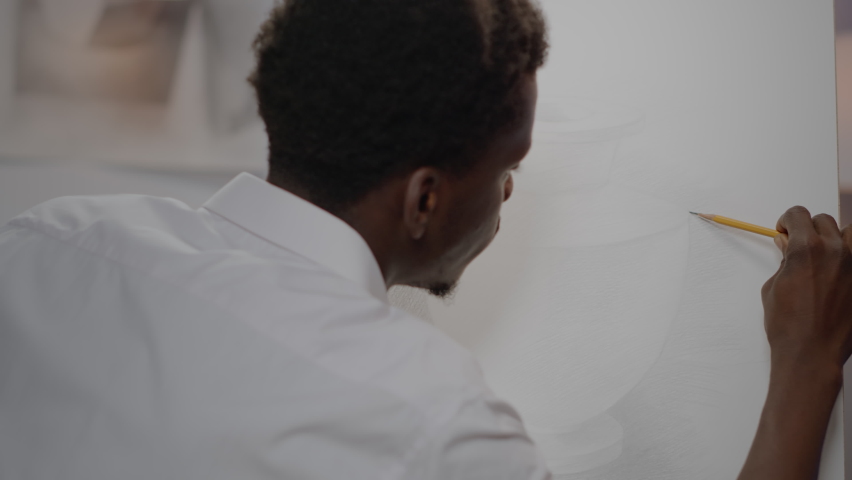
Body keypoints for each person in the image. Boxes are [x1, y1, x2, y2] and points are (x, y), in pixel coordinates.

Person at [0, 1, 848, 479]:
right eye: (508, 164)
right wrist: (807, 372)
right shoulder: (432, 423)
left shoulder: (49, 243)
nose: (513, 188)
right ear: (425, 199)